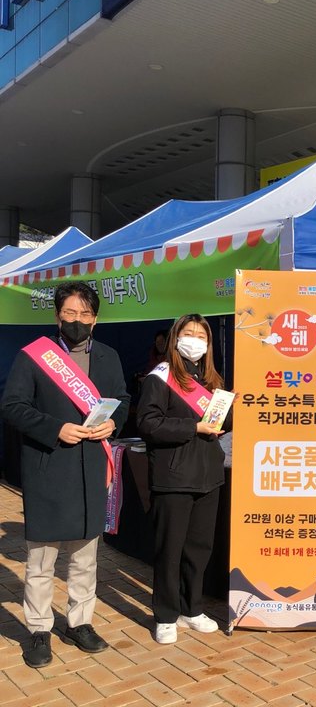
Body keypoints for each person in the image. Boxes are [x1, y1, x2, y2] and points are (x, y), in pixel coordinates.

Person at [0, 281, 130, 668]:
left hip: (91, 468)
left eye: (85, 314)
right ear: (58, 315)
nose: (77, 321)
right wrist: (54, 428)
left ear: (96, 318)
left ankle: (79, 622)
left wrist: (114, 424)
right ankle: (39, 630)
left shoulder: (108, 356)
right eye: (70, 313)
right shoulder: (34, 357)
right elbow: (12, 405)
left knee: (85, 558)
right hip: (48, 466)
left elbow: (121, 399)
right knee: (41, 560)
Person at [136, 313, 229, 644]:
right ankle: (165, 614)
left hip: (208, 477)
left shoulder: (210, 379)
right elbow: (147, 423)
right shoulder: (159, 378)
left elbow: (219, 424)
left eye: (202, 336)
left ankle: (192, 608)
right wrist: (193, 427)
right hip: (173, 477)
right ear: (176, 338)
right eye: (189, 333)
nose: (195, 340)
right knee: (169, 550)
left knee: (198, 549)